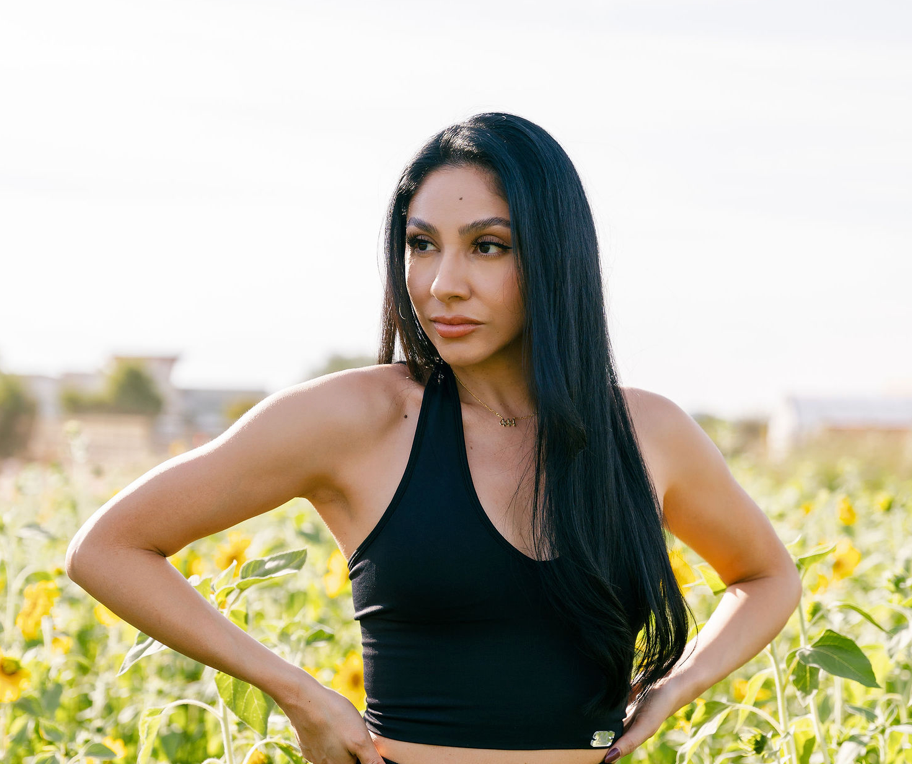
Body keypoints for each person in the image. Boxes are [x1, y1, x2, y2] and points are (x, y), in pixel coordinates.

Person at [66, 112, 802, 764]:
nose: (443, 283)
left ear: (555, 259)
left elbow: (768, 577)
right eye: (422, 244)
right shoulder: (359, 418)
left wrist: (677, 688)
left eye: (487, 246)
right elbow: (107, 548)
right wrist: (297, 692)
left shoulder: (649, 432)